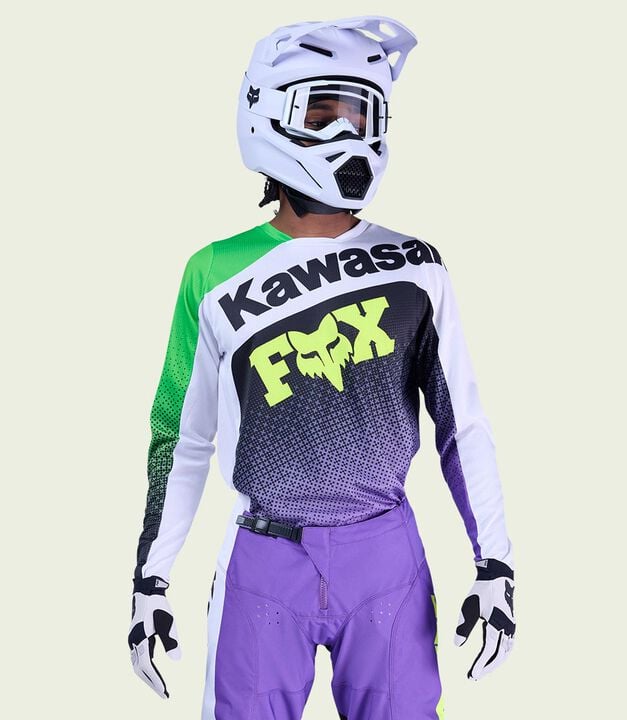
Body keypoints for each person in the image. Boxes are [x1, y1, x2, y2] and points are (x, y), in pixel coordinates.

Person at [127, 15, 515, 719]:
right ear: (267, 113)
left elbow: (464, 427)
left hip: (386, 558)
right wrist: (150, 580)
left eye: (362, 115)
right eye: (322, 113)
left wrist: (496, 563)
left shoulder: (417, 266)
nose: (348, 135)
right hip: (264, 561)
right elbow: (180, 439)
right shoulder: (211, 274)